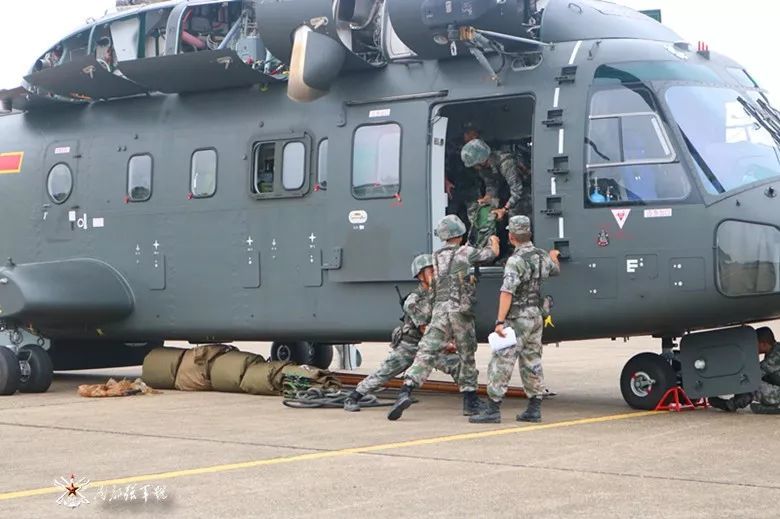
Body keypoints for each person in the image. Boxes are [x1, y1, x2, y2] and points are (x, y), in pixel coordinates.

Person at [387, 215, 499, 421]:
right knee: (466, 355)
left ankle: (405, 391)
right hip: (460, 312)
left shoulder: (436, 255)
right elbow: (491, 254)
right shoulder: (466, 251)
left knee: (426, 352)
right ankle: (470, 401)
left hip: (440, 311)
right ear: (460, 233)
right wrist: (494, 239)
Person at [470, 216, 560, 424]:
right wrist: (554, 256)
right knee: (532, 361)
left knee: (502, 361)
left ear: (511, 236)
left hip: (517, 318)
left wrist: (499, 322)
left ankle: (493, 409)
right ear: (529, 234)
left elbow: (507, 292)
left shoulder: (515, 261)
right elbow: (554, 270)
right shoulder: (540, 256)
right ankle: (534, 408)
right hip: (536, 316)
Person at [343, 254, 460, 412]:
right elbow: (425, 330)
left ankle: (470, 400)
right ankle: (353, 397)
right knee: (384, 372)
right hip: (411, 345)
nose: (436, 274)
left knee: (458, 365)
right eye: (431, 271)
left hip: (433, 345)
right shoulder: (413, 301)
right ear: (420, 275)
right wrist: (447, 344)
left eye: (437, 270)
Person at [709, 327, 780, 414]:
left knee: (752, 383)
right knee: (753, 381)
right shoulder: (773, 350)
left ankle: (730, 405)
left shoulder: (776, 355)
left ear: (764, 344)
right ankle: (732, 404)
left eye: (754, 344)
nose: (752, 347)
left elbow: (755, 373)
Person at [461, 138, 529, 223]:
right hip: (507, 192)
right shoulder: (484, 168)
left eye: (475, 165)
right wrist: (487, 198)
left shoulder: (506, 163)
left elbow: (517, 190)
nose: (474, 168)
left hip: (525, 191)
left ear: (482, 161)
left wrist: (504, 209)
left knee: (514, 216)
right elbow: (491, 185)